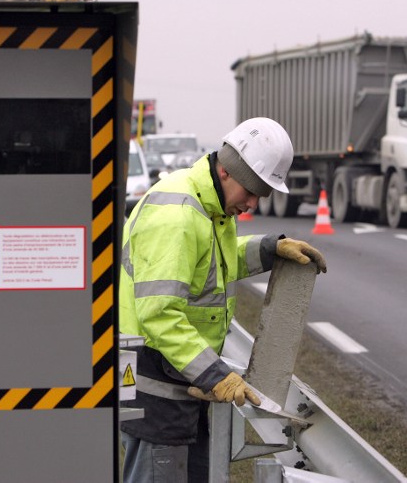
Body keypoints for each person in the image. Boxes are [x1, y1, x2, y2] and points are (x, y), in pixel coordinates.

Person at [119, 117, 327, 483]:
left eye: (261, 195)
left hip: (180, 377)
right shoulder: (177, 214)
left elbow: (211, 265)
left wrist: (268, 250)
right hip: (154, 383)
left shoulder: (211, 209)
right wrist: (216, 375)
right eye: (251, 191)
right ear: (228, 171)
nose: (251, 204)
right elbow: (159, 313)